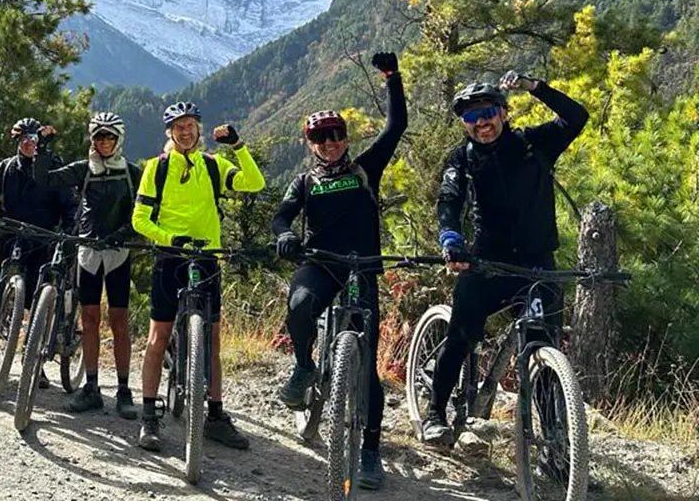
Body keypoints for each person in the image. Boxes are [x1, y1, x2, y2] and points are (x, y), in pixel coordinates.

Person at [423, 72, 589, 447]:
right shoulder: (462, 157)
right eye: (471, 117)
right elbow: (449, 201)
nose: (481, 122)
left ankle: (558, 447)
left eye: (487, 112)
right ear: (464, 125)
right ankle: (435, 412)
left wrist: (536, 87)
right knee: (461, 334)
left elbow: (576, 117)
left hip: (538, 263)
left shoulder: (534, 144)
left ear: (504, 112)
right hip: (486, 263)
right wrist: (450, 238)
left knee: (545, 349)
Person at [272, 52, 406, 490]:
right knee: (299, 307)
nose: (330, 142)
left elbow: (396, 127)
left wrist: (392, 77)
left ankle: (370, 450)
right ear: (310, 143)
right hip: (320, 264)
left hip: (362, 269)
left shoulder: (366, 168)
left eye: (336, 135)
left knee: (366, 368)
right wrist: (285, 235)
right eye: (320, 137)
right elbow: (282, 216)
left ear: (346, 138)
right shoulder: (305, 181)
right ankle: (305, 366)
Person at [131, 102, 265, 452]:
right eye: (179, 126)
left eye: (190, 125)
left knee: (213, 340)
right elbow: (139, 218)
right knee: (157, 336)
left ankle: (216, 417)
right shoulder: (155, 168)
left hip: (207, 257)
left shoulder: (212, 165)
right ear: (170, 132)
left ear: (198, 130)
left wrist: (238, 147)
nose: (185, 131)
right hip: (170, 256)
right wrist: (167, 238)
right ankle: (149, 417)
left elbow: (254, 183)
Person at [33, 112, 143, 419]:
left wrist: (124, 233)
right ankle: (92, 388)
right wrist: (42, 148)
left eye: (109, 136)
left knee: (119, 321)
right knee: (90, 318)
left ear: (119, 138)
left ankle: (123, 390)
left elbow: (146, 209)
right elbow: (44, 179)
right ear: (92, 139)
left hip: (118, 252)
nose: (104, 142)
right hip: (88, 252)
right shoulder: (84, 169)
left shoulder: (132, 172)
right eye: (98, 137)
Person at [0, 118, 78, 386]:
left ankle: (33, 359)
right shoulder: (8, 166)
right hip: (11, 233)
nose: (28, 143)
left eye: (34, 138)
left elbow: (69, 203)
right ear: (17, 141)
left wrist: (68, 232)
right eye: (23, 139)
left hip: (42, 238)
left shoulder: (53, 165)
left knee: (38, 301)